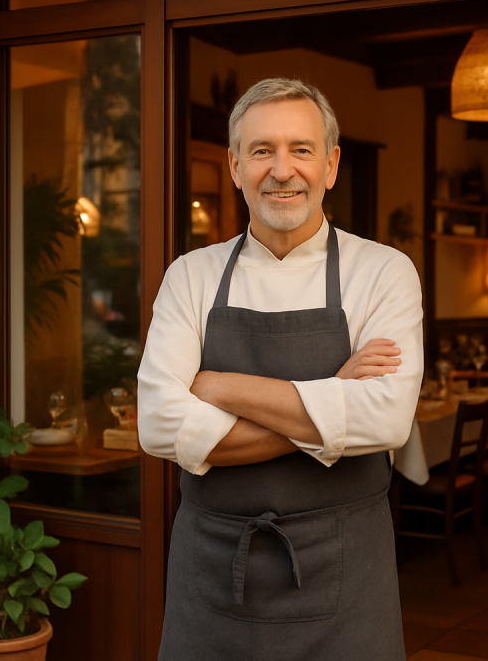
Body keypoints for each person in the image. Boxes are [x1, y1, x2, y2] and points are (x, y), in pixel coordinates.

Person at [138, 78, 423, 660]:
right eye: (262, 150)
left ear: (332, 165)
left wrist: (219, 387)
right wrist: (333, 395)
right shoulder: (189, 276)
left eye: (301, 149)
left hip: (346, 567)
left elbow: (387, 420)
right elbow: (158, 426)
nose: (282, 169)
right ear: (236, 166)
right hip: (212, 566)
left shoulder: (386, 271)